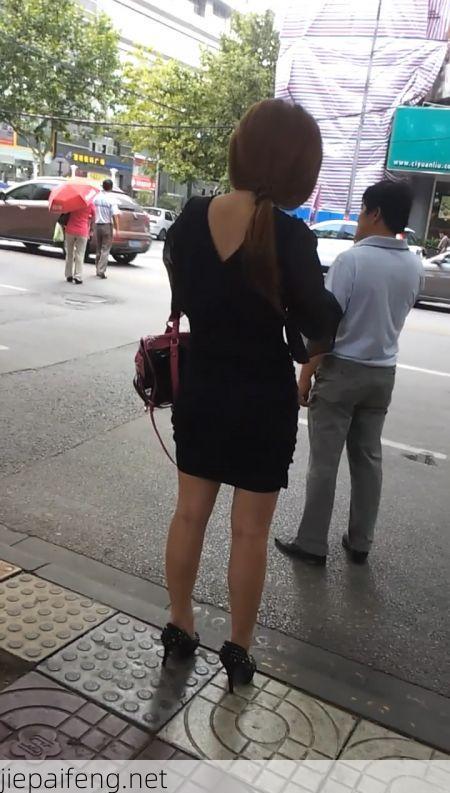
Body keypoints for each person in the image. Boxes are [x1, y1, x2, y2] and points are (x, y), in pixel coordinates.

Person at [160, 98, 341, 693]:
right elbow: (321, 322)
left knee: (189, 513)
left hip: (202, 388)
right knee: (250, 533)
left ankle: (179, 625)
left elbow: (184, 290)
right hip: (263, 399)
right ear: (297, 167)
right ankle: (238, 647)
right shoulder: (291, 235)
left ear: (242, 149)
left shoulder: (191, 217)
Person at [275, 180, 424, 567]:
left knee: (324, 462)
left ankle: (312, 543)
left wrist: (305, 375)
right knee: (368, 459)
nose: (358, 219)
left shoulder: (351, 261)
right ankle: (360, 541)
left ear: (375, 214)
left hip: (342, 372)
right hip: (383, 374)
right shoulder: (414, 264)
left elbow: (323, 329)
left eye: (360, 211)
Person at [64, 201, 95, 285]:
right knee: (80, 254)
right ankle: (78, 276)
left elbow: (65, 212)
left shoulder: (73, 202)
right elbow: (94, 217)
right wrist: (91, 229)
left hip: (70, 230)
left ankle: (68, 275)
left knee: (69, 253)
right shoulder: (90, 203)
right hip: (82, 231)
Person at [94, 179, 119, 279]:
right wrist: (117, 228)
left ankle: (97, 268)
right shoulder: (111, 199)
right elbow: (115, 215)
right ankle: (101, 270)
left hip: (97, 225)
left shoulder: (97, 197)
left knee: (98, 248)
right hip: (107, 226)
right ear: (111, 187)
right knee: (105, 249)